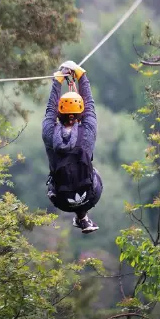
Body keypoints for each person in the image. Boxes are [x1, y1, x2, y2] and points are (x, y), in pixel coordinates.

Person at [42, 60, 103, 234]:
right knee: (91, 172)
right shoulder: (88, 131)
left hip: (60, 200)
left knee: (67, 176)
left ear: (60, 113)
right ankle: (82, 217)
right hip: (91, 196)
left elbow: (49, 111)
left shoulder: (49, 134)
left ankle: (82, 218)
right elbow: (90, 105)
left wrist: (57, 81)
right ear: (81, 112)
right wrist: (81, 75)